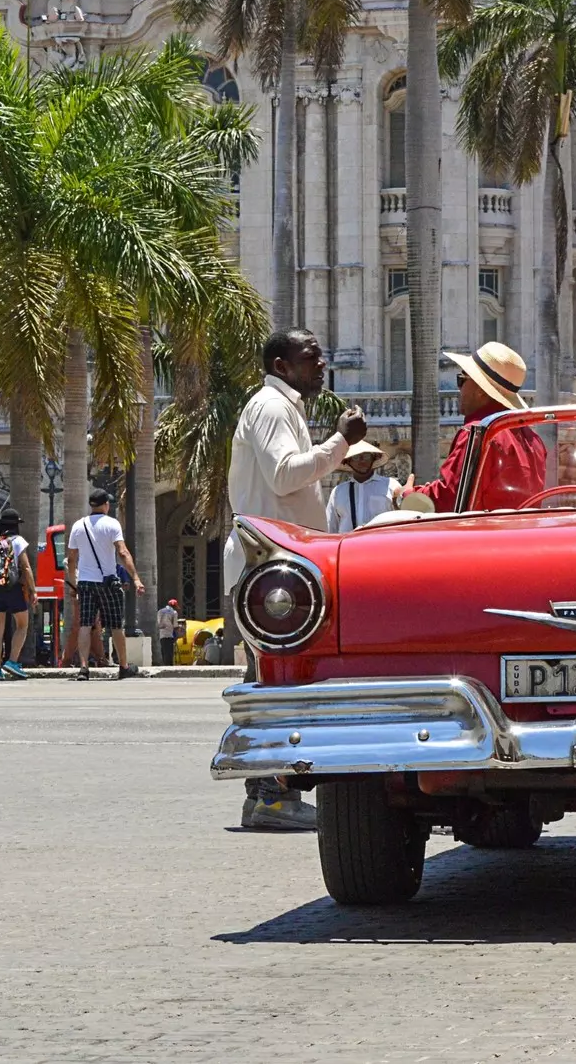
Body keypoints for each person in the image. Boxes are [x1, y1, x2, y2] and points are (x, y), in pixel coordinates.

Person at [227, 327, 367, 831]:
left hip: (283, 573)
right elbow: (286, 475)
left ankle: (275, 789)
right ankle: (266, 793)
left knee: (282, 677)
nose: (322, 365)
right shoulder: (269, 406)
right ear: (283, 365)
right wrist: (340, 442)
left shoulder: (285, 407)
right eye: (312, 357)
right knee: (268, 680)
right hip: (269, 574)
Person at [401, 342, 546, 512]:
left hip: (482, 535)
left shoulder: (477, 433)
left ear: (481, 390)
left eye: (462, 380)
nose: (459, 389)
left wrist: (408, 495)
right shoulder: (534, 441)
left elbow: (449, 499)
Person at [65, 490, 144, 680]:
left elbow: (71, 558)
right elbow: (122, 552)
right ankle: (124, 666)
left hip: (85, 582)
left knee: (85, 624)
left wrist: (73, 585)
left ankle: (84, 668)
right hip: (108, 581)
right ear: (106, 505)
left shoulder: (78, 525)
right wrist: (135, 578)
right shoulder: (112, 524)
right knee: (116, 625)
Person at [0, 508, 34, 681]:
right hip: (13, 587)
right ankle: (12, 661)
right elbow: (25, 567)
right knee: (22, 625)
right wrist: (33, 589)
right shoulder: (18, 541)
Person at [324, 441, 395, 533]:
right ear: (348, 461)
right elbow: (331, 527)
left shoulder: (391, 486)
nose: (361, 460)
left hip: (381, 545)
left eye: (366, 456)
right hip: (347, 546)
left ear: (374, 458)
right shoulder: (338, 492)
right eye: (356, 457)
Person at [156, 597, 181, 668]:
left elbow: (159, 624)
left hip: (162, 635)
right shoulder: (174, 612)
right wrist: (179, 630)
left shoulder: (160, 611)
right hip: (169, 635)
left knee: (164, 651)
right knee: (169, 652)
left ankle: (165, 666)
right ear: (174, 606)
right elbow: (175, 625)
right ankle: (169, 667)